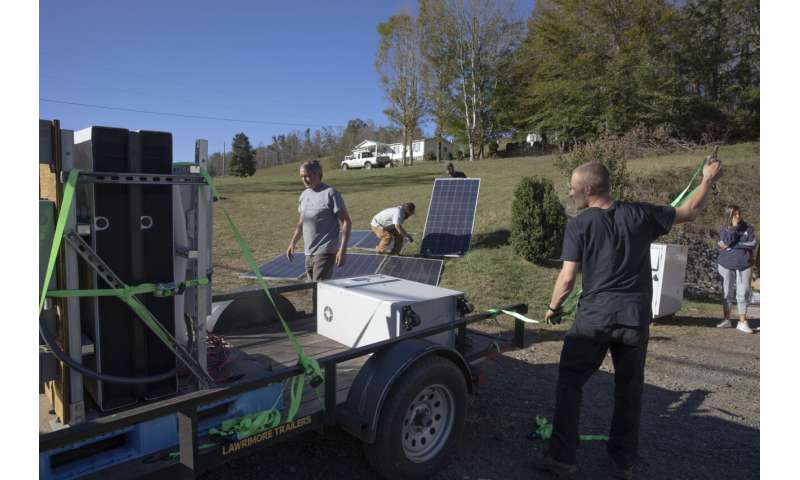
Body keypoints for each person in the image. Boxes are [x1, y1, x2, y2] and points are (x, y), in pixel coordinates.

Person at [537, 157, 723, 480]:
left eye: (573, 188)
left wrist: (553, 307)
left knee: (569, 384)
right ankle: (622, 464)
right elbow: (690, 210)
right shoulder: (640, 214)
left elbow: (567, 279)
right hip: (634, 320)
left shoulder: (579, 224)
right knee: (629, 390)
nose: (570, 192)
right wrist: (707, 179)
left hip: (593, 320)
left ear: (589, 189)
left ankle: (562, 460)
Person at [286, 160, 352, 281]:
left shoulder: (330, 193)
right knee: (313, 289)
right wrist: (293, 243)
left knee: (319, 289)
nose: (305, 179)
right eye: (302, 176)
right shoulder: (304, 195)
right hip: (308, 252)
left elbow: (346, 221)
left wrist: (342, 250)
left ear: (318, 174)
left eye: (308, 176)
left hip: (325, 250)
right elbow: (301, 222)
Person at [716, 205, 758, 333]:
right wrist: (734, 228)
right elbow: (726, 241)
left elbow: (753, 243)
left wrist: (733, 246)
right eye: (735, 214)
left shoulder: (748, 227)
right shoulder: (723, 228)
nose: (738, 216)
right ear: (729, 215)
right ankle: (727, 319)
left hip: (745, 264)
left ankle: (742, 322)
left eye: (739, 213)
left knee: (743, 292)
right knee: (726, 292)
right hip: (726, 264)